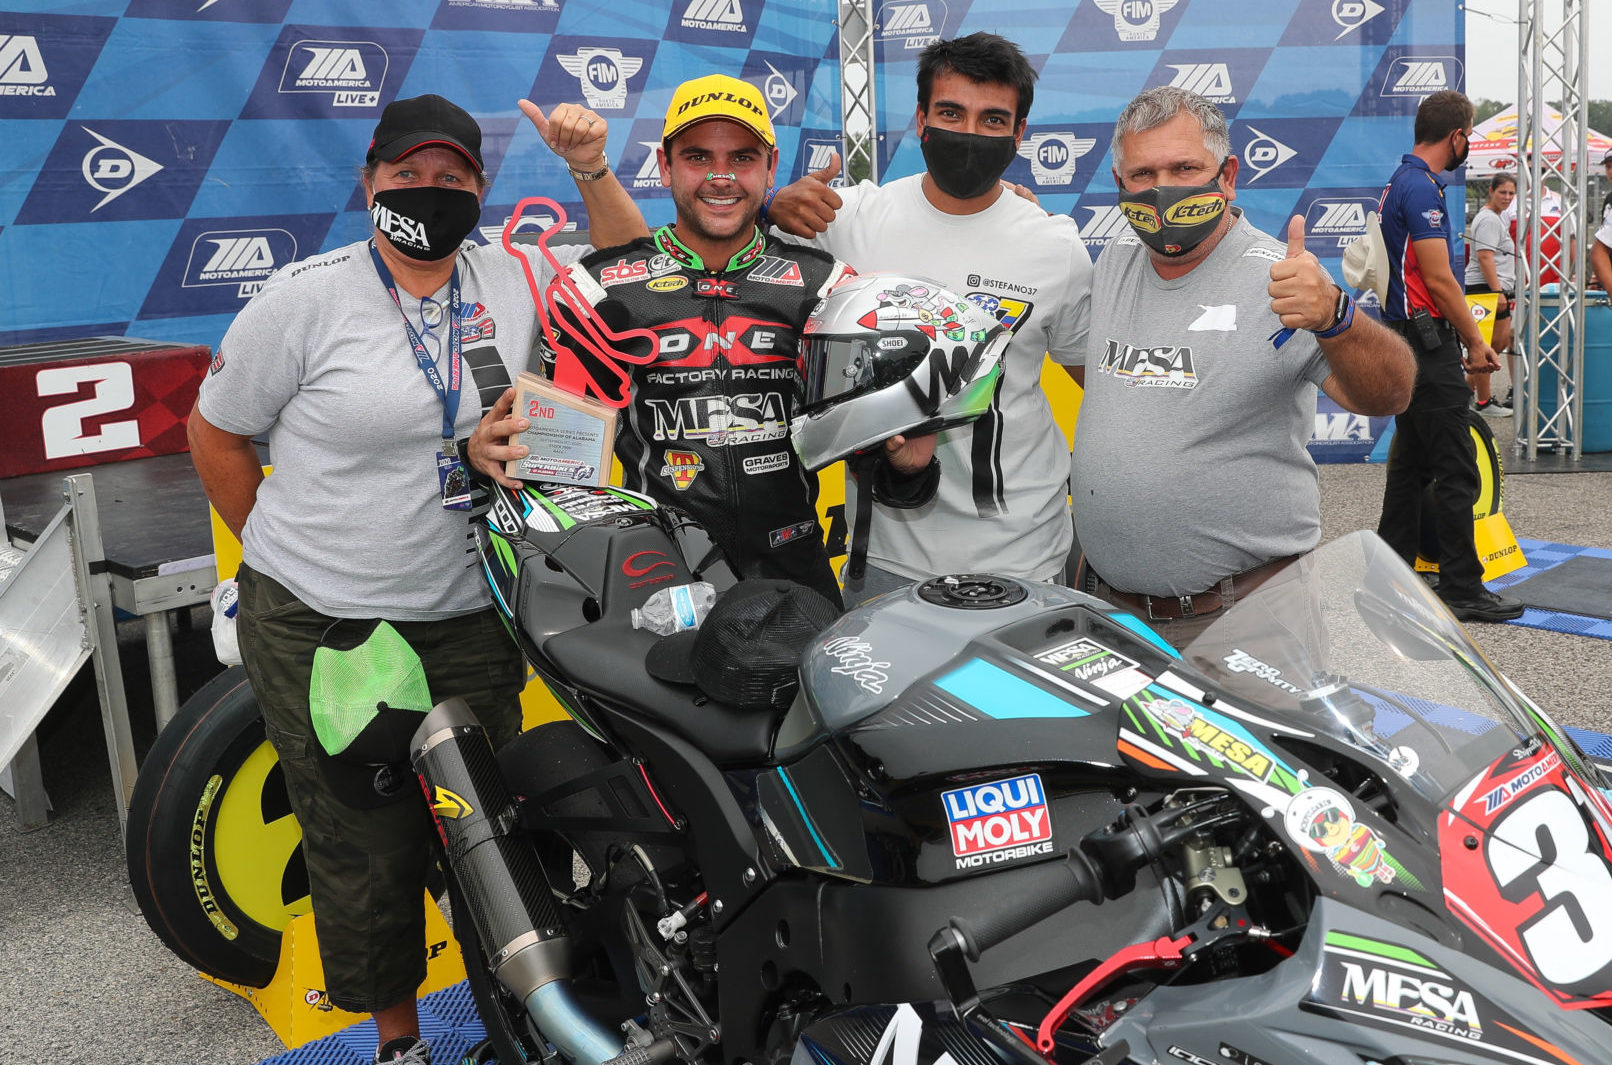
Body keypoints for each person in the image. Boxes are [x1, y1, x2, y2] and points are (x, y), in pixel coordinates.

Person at [188, 94, 648, 1065]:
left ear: (481, 188)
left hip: (466, 615)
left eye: (450, 177)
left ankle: (510, 1015)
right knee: (364, 842)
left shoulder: (515, 273)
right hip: (325, 626)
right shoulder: (306, 296)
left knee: (483, 821)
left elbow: (629, 270)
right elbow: (215, 428)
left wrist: (589, 168)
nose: (426, 193)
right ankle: (399, 1043)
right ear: (369, 181)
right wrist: (271, 547)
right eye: (406, 174)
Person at [468, 74, 936, 608]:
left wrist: (910, 465)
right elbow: (554, 469)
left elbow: (882, 469)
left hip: (796, 579)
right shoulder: (598, 288)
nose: (720, 177)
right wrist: (492, 456)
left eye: (741, 158)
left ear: (770, 168)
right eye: (697, 157)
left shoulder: (826, 287)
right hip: (654, 582)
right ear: (665, 165)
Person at [1067, 86, 1415, 647]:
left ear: (1227, 175)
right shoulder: (1115, 259)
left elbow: (1390, 396)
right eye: (1142, 174)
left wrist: (1337, 317)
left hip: (1246, 621)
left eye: (1184, 168)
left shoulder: (1280, 277)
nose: (1161, 192)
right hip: (1113, 614)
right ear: (1120, 182)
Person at [765, 32, 1091, 605]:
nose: (969, 134)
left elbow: (1103, 386)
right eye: (950, 113)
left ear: (1019, 135)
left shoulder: (1055, 246)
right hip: (889, 554)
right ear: (920, 118)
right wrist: (772, 210)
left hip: (1026, 553)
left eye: (993, 120)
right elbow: (721, 265)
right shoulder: (846, 219)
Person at [1375, 89, 1524, 624]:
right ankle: (1462, 588)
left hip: (1405, 335)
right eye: (1471, 134)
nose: (1470, 145)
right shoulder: (1421, 187)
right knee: (1457, 469)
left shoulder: (1401, 180)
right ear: (1456, 136)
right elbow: (1438, 278)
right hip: (1425, 339)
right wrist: (1476, 341)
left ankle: (1388, 578)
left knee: (1410, 466)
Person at [1464, 173, 1516, 416]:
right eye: (1502, 192)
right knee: (1485, 347)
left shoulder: (1496, 218)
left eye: (1511, 193)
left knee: (1499, 343)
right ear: (1491, 191)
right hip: (1484, 290)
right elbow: (1485, 256)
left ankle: (1462, 393)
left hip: (1493, 290)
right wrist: (1497, 291)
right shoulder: (1488, 220)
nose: (1507, 197)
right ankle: (1483, 402)